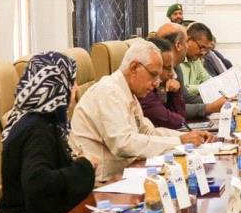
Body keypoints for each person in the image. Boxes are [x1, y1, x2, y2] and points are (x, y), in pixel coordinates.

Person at [71, 40, 213, 183]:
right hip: (103, 183)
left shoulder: (127, 91)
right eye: (153, 75)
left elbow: (147, 132)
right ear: (134, 67)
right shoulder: (108, 92)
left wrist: (186, 136)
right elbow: (123, 143)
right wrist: (178, 141)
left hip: (125, 172)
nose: (157, 83)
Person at [0, 52, 96, 213]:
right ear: (57, 86)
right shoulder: (38, 129)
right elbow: (39, 185)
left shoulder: (38, 119)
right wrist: (85, 166)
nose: (77, 88)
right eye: (72, 82)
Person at [156, 23, 224, 118]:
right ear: (178, 45)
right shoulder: (157, 66)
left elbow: (183, 100)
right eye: (185, 42)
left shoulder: (177, 65)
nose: (187, 46)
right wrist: (211, 107)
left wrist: (218, 101)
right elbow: (166, 111)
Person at [139, 37, 187, 130]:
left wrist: (174, 92)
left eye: (172, 68)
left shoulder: (159, 86)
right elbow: (172, 121)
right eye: (167, 68)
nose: (172, 74)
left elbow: (180, 119)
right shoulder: (143, 91)